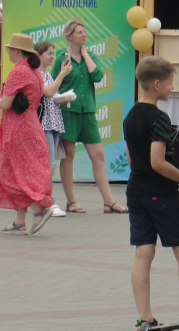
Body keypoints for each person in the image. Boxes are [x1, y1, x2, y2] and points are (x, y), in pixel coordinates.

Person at [124, 56, 179, 331]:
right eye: (170, 82)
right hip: (161, 193)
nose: (172, 87)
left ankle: (143, 317)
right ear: (157, 83)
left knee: (143, 252)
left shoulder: (130, 115)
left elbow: (132, 159)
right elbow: (158, 162)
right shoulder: (159, 118)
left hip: (136, 191)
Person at [0, 33, 56, 235]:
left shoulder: (18, 71)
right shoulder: (34, 70)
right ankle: (19, 221)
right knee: (21, 171)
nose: (7, 52)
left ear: (15, 50)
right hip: (31, 125)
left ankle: (39, 207)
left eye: (9, 48)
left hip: (17, 128)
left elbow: (5, 103)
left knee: (10, 174)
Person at [54, 18, 126, 214]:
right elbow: (54, 86)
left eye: (84, 32)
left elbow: (98, 77)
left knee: (98, 155)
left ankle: (109, 202)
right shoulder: (61, 59)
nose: (84, 35)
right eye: (79, 32)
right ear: (69, 36)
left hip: (88, 111)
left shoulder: (91, 55)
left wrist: (85, 55)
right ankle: (71, 201)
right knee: (68, 156)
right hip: (68, 111)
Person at [34, 40, 73, 218]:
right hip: (44, 122)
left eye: (53, 53)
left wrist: (63, 97)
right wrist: (62, 75)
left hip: (54, 121)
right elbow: (47, 92)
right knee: (48, 163)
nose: (52, 56)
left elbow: (52, 94)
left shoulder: (47, 74)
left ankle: (44, 199)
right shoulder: (36, 74)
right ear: (38, 55)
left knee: (50, 163)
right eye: (49, 53)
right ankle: (48, 201)